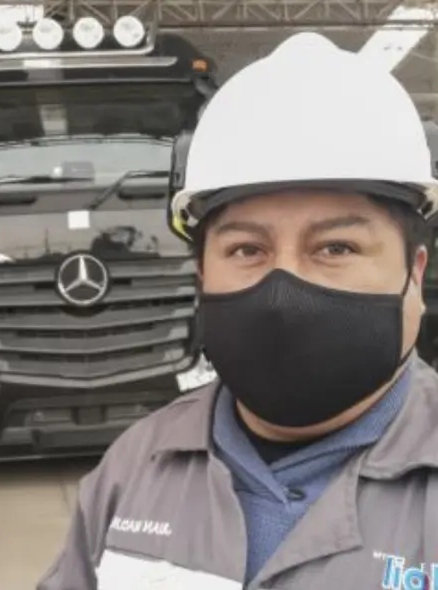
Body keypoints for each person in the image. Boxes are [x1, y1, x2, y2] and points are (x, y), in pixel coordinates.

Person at [38, 32, 438, 589]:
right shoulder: (135, 466)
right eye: (247, 249)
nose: (284, 293)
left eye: (336, 247)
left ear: (414, 273)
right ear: (202, 272)